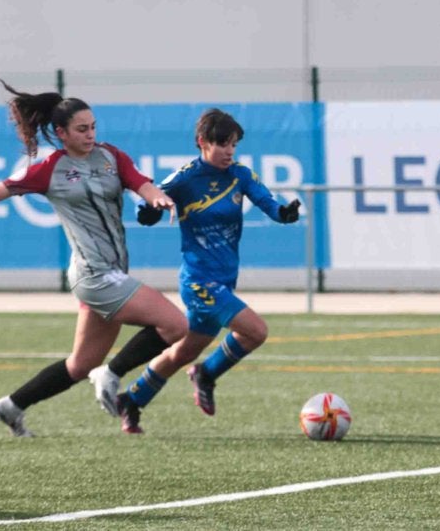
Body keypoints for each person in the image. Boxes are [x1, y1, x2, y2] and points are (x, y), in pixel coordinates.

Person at [0, 79, 190, 437]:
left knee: (79, 364)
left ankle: (12, 405)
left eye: (93, 127)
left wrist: (157, 197)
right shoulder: (49, 169)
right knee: (176, 325)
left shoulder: (110, 157)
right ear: (61, 133)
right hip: (95, 275)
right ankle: (111, 373)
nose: (90, 134)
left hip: (112, 272)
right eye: (81, 129)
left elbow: (141, 182)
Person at [88, 108, 301, 434]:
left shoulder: (240, 175)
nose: (229, 151)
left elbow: (267, 202)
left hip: (225, 282)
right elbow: (150, 198)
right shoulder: (186, 177)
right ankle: (206, 373)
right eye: (222, 144)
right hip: (199, 281)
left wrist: (284, 213)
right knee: (255, 331)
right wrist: (148, 211)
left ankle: (132, 400)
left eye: (233, 145)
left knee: (181, 352)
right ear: (202, 142)